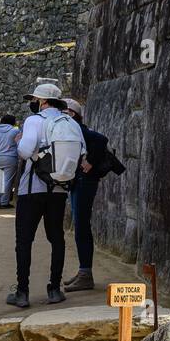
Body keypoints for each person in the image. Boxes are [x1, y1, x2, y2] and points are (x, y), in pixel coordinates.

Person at [8, 80, 85, 309]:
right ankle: (54, 289)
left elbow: (24, 151)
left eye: (34, 100)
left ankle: (22, 292)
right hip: (58, 189)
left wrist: (22, 142)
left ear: (41, 101)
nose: (33, 103)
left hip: (32, 188)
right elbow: (81, 152)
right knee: (56, 238)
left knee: (24, 241)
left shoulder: (34, 120)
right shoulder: (70, 122)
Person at [62, 98, 126, 293]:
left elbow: (100, 140)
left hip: (84, 181)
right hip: (79, 182)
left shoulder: (78, 129)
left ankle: (85, 274)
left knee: (82, 225)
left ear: (71, 114)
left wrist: (89, 160)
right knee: (80, 224)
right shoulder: (73, 129)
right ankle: (83, 272)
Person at [0, 112, 20, 208]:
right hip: (11, 158)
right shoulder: (15, 131)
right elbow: (19, 144)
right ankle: (4, 202)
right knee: (7, 181)